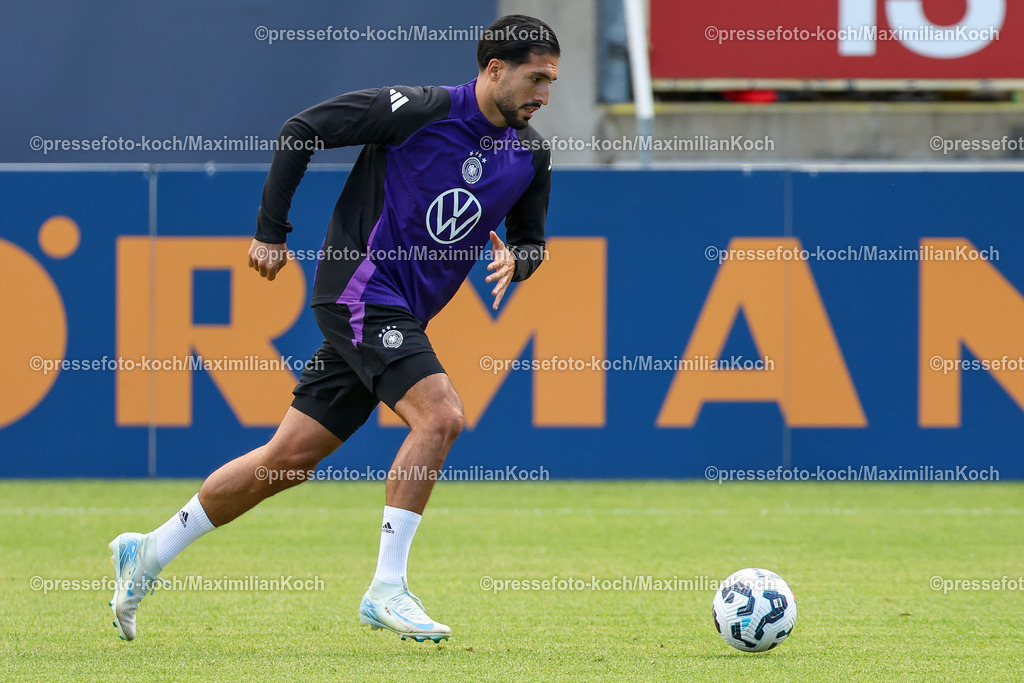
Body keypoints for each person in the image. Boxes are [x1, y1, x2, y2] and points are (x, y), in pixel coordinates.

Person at [107, 14, 559, 643]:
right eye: (535, 78)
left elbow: (532, 241)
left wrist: (522, 259)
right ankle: (388, 589)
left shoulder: (530, 155)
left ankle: (150, 551)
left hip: (400, 311)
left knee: (286, 460)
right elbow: (302, 131)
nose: (543, 94)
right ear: (493, 70)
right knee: (442, 415)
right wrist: (270, 232)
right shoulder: (418, 110)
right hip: (360, 290)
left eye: (552, 82)